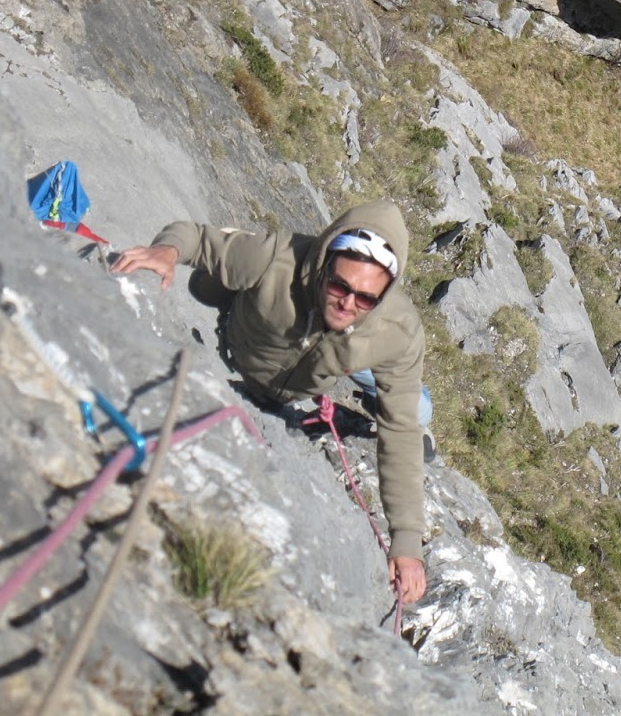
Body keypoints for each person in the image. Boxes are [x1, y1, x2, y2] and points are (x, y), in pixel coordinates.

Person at [112, 200, 428, 603]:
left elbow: (400, 429)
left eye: (366, 298)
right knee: (250, 281)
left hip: (333, 359)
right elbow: (196, 238)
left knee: (417, 411)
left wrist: (406, 541)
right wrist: (166, 250)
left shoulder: (398, 330)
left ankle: (363, 382)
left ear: (383, 296)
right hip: (242, 356)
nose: (348, 303)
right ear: (324, 265)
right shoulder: (278, 257)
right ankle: (250, 291)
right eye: (339, 286)